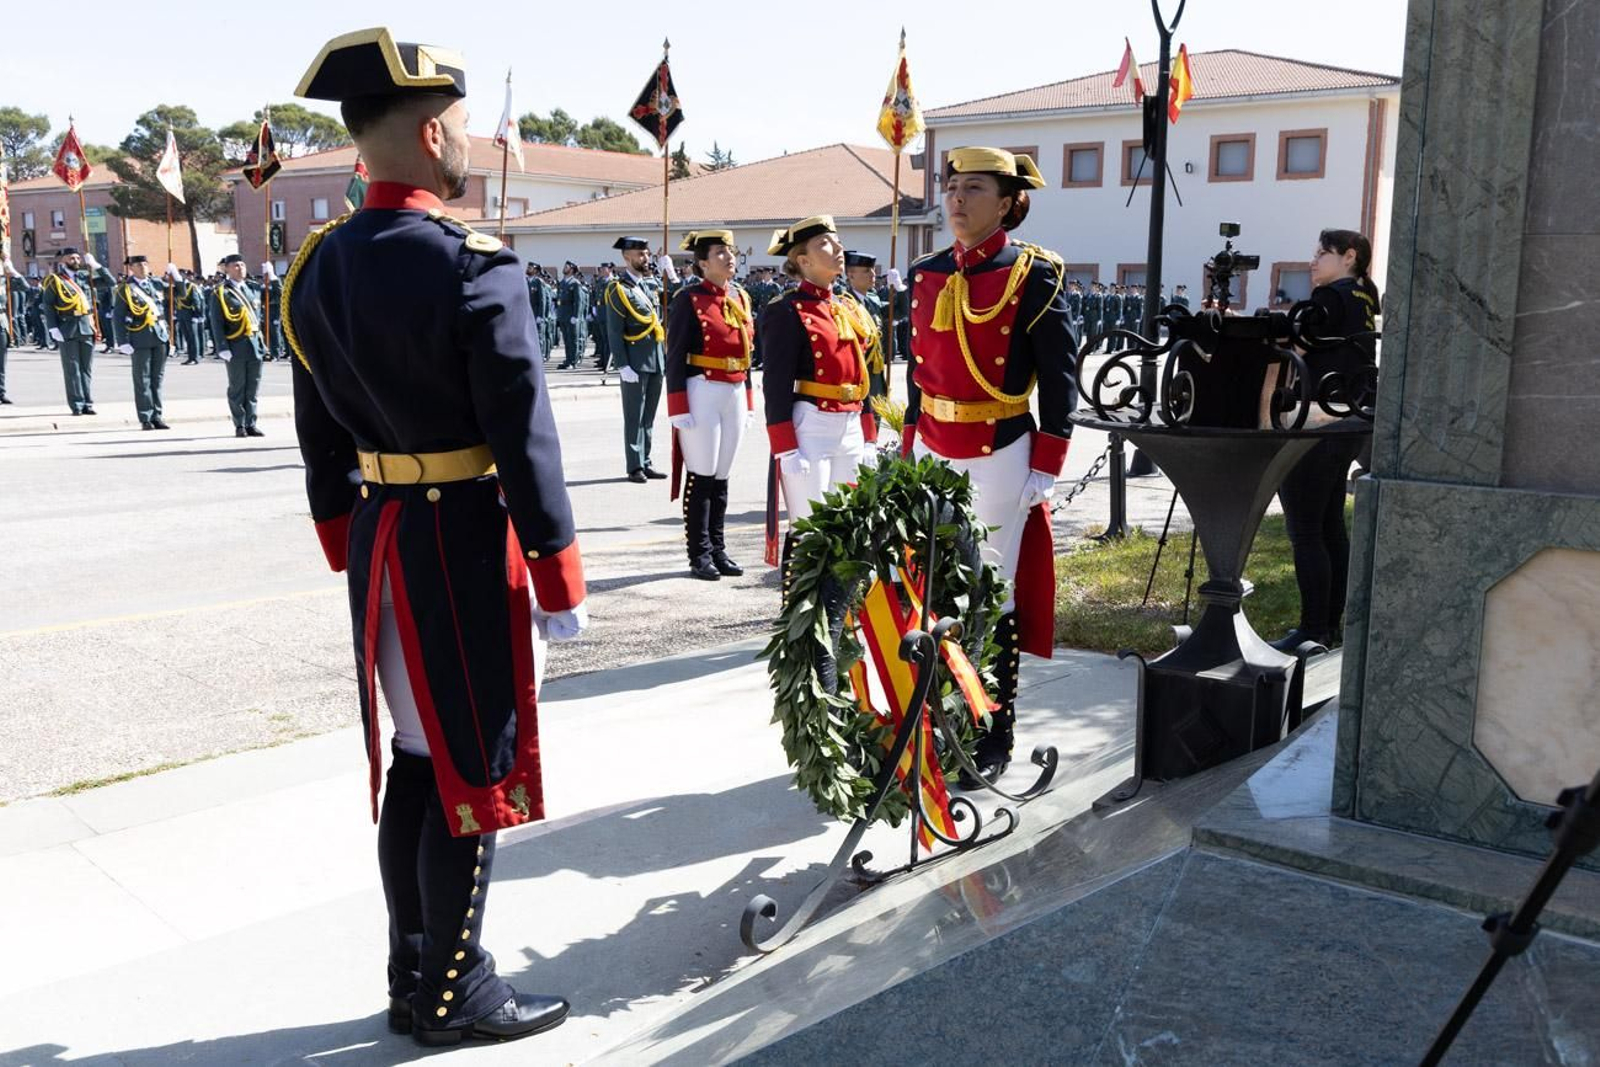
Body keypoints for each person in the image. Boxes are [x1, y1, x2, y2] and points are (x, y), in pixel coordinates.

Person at [287, 27, 585, 1047]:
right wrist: (558, 571)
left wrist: (347, 543)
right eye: (459, 124)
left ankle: (415, 972)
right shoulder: (470, 263)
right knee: (471, 768)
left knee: (416, 761)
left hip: (382, 540)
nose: (470, 143)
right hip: (461, 539)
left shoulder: (315, 268)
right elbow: (523, 431)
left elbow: (319, 440)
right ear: (428, 129)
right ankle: (456, 989)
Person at [902, 146, 1076, 785]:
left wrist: (1049, 461)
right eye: (951, 186)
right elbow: (920, 373)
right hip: (932, 449)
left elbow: (1060, 378)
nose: (956, 199)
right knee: (933, 587)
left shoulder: (1035, 273)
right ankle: (938, 714)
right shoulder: (925, 271)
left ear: (1006, 203)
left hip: (1000, 451)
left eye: (973, 188)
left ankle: (992, 730)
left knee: (992, 594)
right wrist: (910, 442)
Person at [1269, 228, 1380, 652]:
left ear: (1349, 255)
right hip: (1350, 419)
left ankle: (1312, 629)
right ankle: (1330, 627)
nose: (1314, 261)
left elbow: (1291, 332)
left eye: (1322, 253)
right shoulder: (1364, 295)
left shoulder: (1331, 298)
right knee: (1331, 526)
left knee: (1305, 529)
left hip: (1318, 420)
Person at [758, 215, 879, 568]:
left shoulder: (846, 307)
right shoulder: (785, 310)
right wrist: (785, 447)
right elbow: (776, 384)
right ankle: (801, 617)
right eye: (826, 243)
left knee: (848, 531)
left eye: (837, 241)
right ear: (803, 261)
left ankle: (840, 617)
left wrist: (869, 435)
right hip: (811, 427)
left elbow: (863, 376)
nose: (838, 248)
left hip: (851, 426)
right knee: (810, 533)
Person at [665, 229, 754, 580]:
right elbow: (674, 356)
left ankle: (718, 548)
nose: (728, 256)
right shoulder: (689, 299)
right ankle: (699, 553)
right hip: (701, 388)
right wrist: (678, 406)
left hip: (733, 390)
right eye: (719, 252)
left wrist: (747, 400)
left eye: (730, 251)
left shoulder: (741, 297)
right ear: (702, 263)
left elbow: (747, 354)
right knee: (701, 476)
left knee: (722, 476)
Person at [602, 236, 667, 482]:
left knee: (648, 415)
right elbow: (614, 331)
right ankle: (634, 465)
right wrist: (622, 364)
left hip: (655, 359)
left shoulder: (649, 286)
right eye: (641, 254)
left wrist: (671, 276)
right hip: (635, 361)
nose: (646, 258)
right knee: (634, 416)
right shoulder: (618, 289)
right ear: (626, 257)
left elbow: (676, 304)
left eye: (647, 254)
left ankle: (646, 460)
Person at [41, 246, 108, 415]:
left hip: (86, 326)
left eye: (78, 258)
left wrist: (97, 266)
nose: (76, 261)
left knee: (86, 369)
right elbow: (48, 305)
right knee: (72, 369)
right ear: (63, 261)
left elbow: (111, 283)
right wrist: (53, 327)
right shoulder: (55, 280)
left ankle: (88, 403)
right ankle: (77, 404)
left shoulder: (86, 278)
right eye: (72, 258)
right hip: (67, 327)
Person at [111, 255, 173, 429]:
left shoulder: (157, 284)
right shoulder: (126, 289)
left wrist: (177, 276)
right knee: (142, 379)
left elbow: (179, 295)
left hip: (160, 335)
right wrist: (122, 341)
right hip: (139, 336)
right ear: (131, 268)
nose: (143, 267)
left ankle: (157, 416)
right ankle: (146, 417)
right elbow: (118, 316)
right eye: (139, 264)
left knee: (157, 378)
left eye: (145, 263)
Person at [208, 254, 267, 436]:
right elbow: (216, 322)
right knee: (237, 387)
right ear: (226, 269)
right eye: (235, 265)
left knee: (253, 387)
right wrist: (222, 347)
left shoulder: (253, 289)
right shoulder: (221, 293)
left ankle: (251, 422)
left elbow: (277, 295)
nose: (240, 268)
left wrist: (272, 277)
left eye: (242, 264)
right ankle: (239, 424)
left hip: (255, 344)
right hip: (235, 345)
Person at [842, 251, 888, 429]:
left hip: (875, 378)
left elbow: (897, 312)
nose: (873, 275)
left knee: (873, 429)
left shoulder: (871, 303)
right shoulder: (845, 304)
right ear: (851, 274)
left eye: (873, 270)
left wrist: (899, 291)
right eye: (867, 271)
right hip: (860, 379)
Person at [555, 261, 587, 370]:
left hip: (570, 314)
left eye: (566, 267)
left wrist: (576, 316)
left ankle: (573, 361)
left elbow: (579, 301)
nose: (564, 268)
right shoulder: (563, 283)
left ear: (572, 269)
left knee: (573, 339)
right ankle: (567, 359)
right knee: (566, 339)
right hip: (563, 313)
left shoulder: (575, 283)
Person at [589, 262, 613, 374]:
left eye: (604, 268)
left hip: (608, 311)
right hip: (600, 311)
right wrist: (594, 307)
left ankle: (609, 362)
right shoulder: (600, 281)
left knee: (609, 340)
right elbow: (595, 295)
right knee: (602, 338)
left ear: (609, 269)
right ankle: (603, 360)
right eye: (601, 269)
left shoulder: (613, 282)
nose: (601, 270)